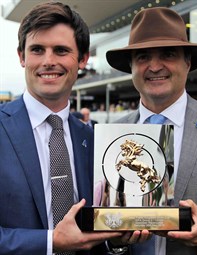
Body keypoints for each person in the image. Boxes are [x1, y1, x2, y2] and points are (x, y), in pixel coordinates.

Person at [0, 2, 151, 254]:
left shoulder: (95, 139)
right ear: (22, 57)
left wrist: (116, 241)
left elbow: (102, 227)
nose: (48, 61)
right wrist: (51, 242)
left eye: (61, 50)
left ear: (82, 59)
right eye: (37, 50)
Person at [106, 7, 197, 255]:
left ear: (188, 62)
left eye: (168, 54)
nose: (154, 66)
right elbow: (104, 226)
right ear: (131, 67)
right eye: (142, 57)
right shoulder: (111, 134)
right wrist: (115, 240)